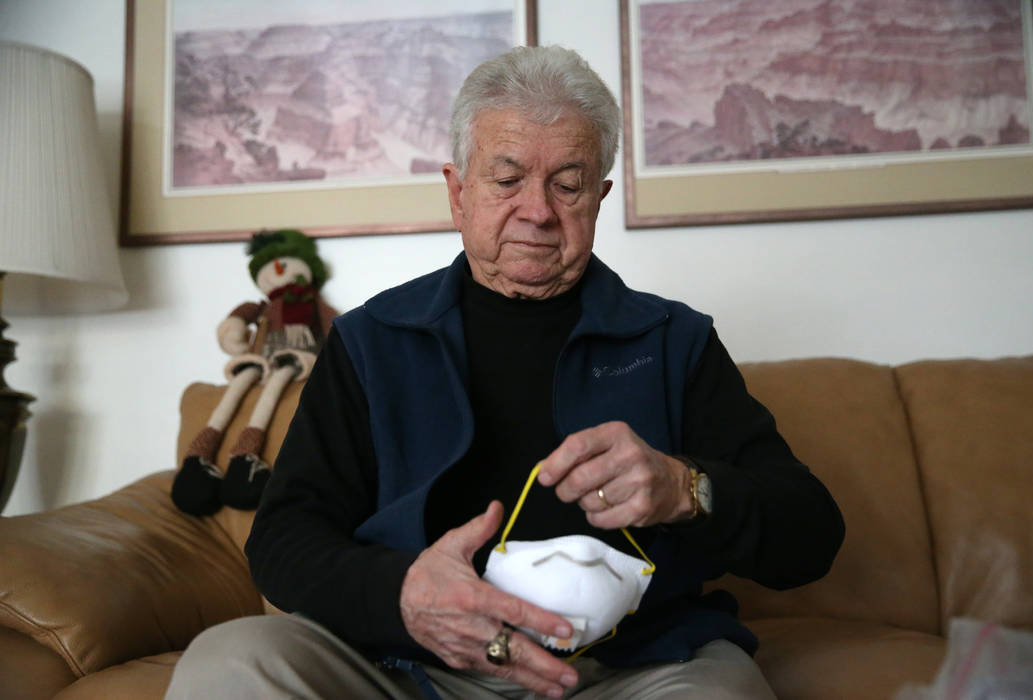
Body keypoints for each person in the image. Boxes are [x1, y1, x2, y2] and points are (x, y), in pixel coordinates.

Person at [166, 45, 844, 700]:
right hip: (407, 662)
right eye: (508, 178)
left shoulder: (674, 341)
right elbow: (284, 540)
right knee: (231, 664)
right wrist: (401, 592)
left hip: (631, 668)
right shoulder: (372, 340)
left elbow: (811, 536)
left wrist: (686, 488)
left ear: (599, 197)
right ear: (458, 191)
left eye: (568, 184)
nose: (539, 211)